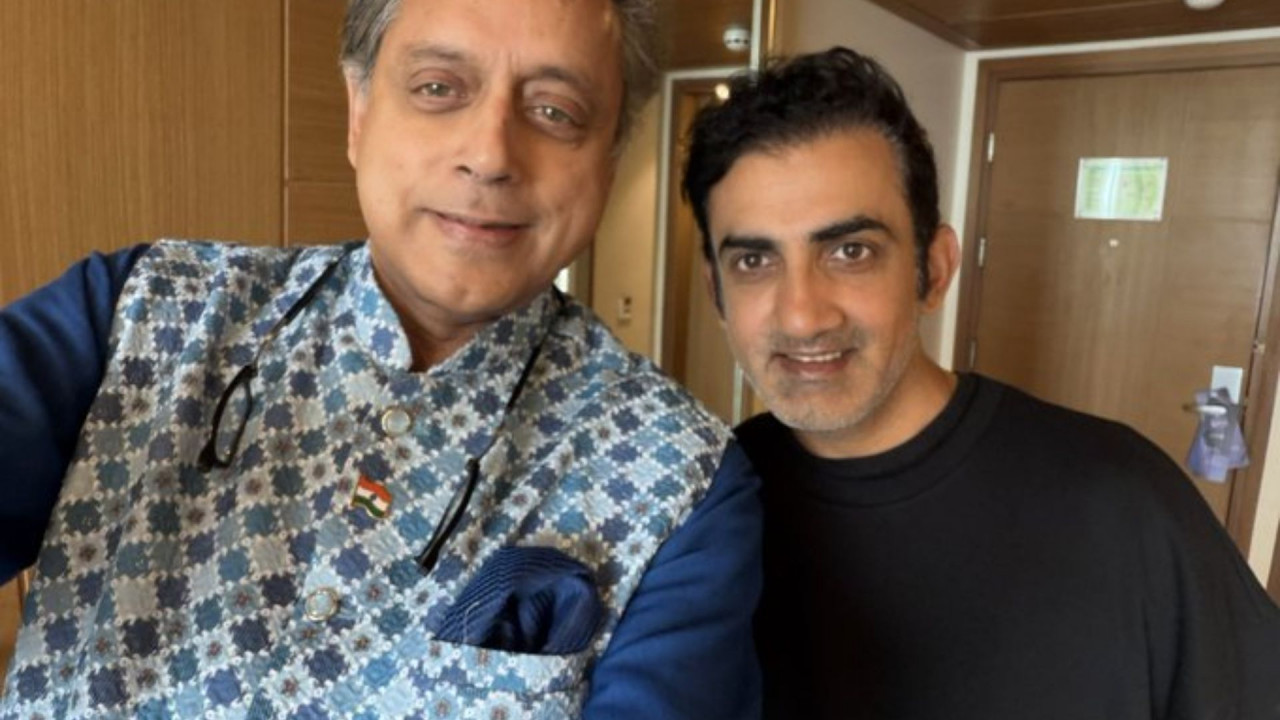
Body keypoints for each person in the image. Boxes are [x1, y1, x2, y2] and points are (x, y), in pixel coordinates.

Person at [0, 1, 763, 717]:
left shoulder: (682, 481)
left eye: (555, 111)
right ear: (359, 111)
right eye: (438, 88)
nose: (489, 155)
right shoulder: (142, 309)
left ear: (609, 159)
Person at [682, 46, 1280, 719]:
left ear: (934, 271)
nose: (801, 315)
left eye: (851, 251)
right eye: (755, 261)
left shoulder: (1122, 503)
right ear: (716, 292)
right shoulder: (700, 511)